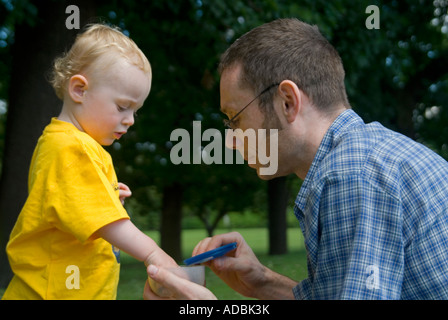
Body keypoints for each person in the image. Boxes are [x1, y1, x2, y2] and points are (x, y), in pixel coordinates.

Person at [144, 18, 448, 300]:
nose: (230, 139)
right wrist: (263, 281)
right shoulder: (364, 156)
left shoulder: (349, 176)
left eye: (234, 118)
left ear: (287, 102)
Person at [2, 24, 177, 300]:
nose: (130, 120)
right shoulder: (72, 147)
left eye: (135, 110)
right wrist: (153, 253)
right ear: (80, 90)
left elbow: (72, 209)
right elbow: (108, 224)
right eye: (122, 107)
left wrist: (106, 197)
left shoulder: (61, 142)